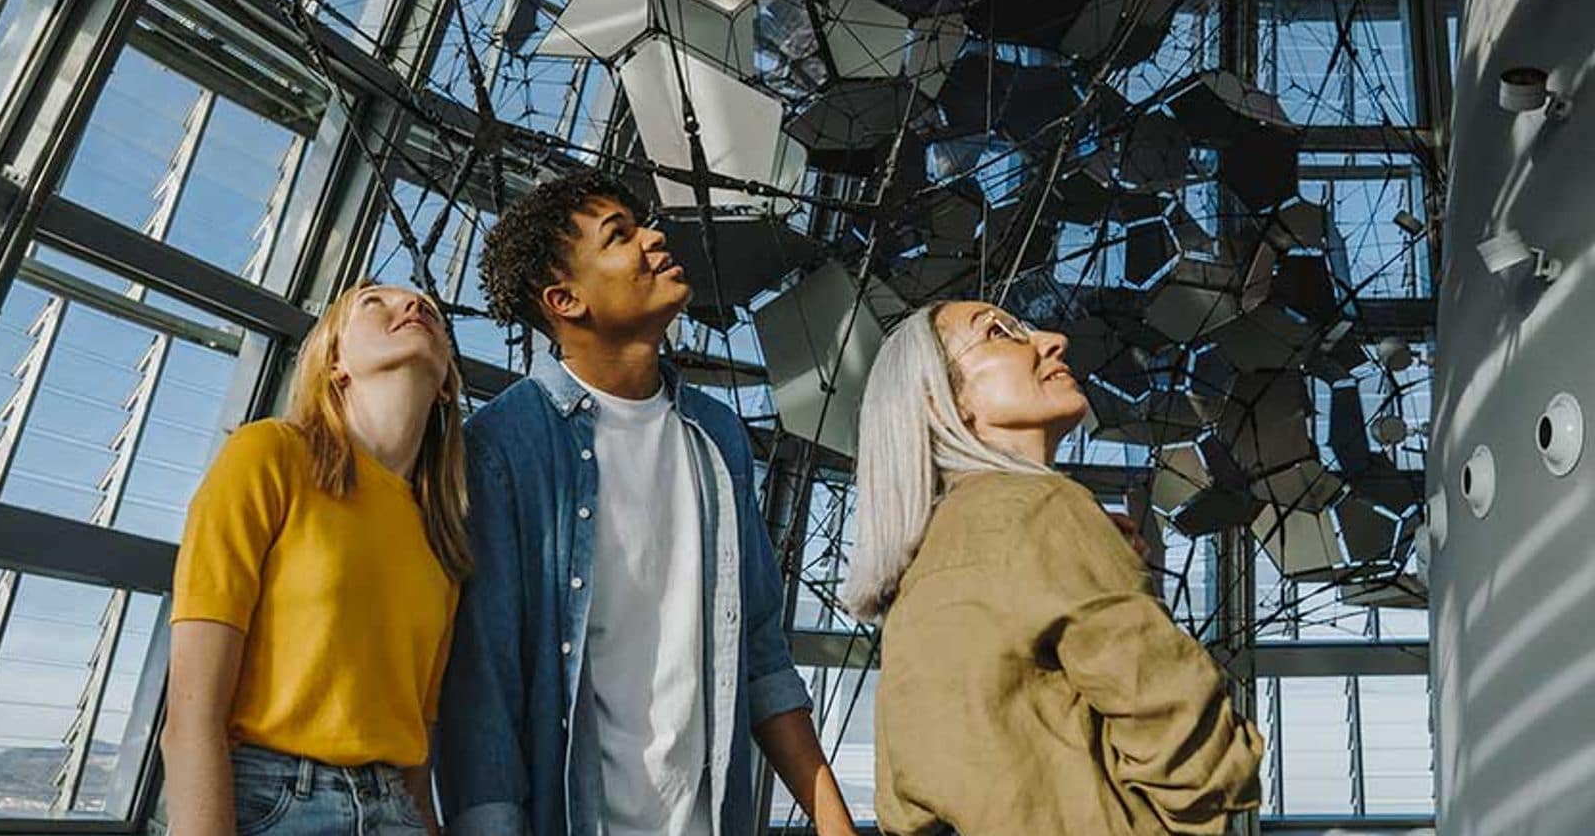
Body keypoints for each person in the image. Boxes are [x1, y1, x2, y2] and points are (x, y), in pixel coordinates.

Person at [435, 169, 856, 836]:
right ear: (565, 299)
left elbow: (761, 653)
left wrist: (833, 819)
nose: (656, 240)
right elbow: (483, 687)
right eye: (621, 236)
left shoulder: (718, 438)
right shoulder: (501, 447)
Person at [844, 301, 1265, 836]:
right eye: (999, 333)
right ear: (944, 398)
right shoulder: (1044, 508)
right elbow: (1205, 762)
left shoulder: (922, 567)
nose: (1053, 340)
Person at [162, 282, 470, 836]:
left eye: (428, 308)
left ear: (446, 385)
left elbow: (418, 755)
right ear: (335, 363)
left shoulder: (440, 537)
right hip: (271, 803)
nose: (414, 306)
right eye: (376, 302)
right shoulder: (267, 456)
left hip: (395, 809)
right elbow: (191, 717)